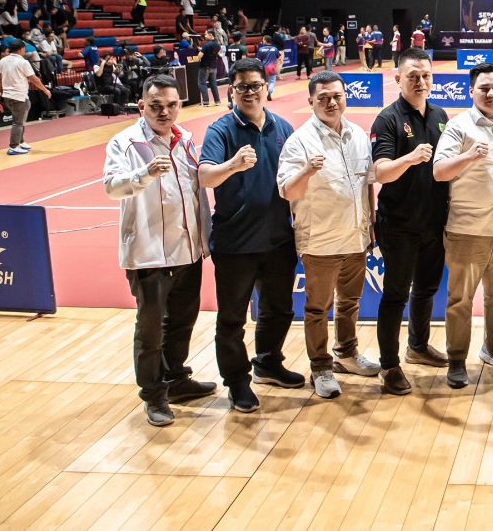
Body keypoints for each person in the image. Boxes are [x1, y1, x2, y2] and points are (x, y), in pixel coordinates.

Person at [103, 74, 215, 426]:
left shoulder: (186, 140)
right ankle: (153, 395)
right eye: (156, 106)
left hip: (188, 250)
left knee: (182, 321)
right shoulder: (126, 143)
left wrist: (204, 241)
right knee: (150, 328)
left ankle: (177, 379)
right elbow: (111, 187)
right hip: (148, 253)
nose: (164, 112)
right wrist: (144, 174)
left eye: (171, 105)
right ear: (141, 106)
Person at [199, 58, 303, 412]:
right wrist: (232, 165)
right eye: (241, 86)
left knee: (280, 309)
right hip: (235, 244)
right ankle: (238, 383)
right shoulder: (221, 131)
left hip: (278, 241)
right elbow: (206, 176)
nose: (249, 92)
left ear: (265, 88)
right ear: (231, 91)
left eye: (255, 85)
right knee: (231, 319)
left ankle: (268, 363)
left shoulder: (282, 127)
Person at [278, 71, 380, 399]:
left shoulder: (358, 135)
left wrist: (371, 220)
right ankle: (320, 366)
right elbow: (286, 191)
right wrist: (307, 169)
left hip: (356, 236)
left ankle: (346, 353)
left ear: (345, 96)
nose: (331, 102)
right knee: (317, 308)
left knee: (349, 302)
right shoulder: (299, 141)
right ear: (310, 101)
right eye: (322, 98)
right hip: (320, 240)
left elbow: (367, 185)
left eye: (336, 96)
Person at [432, 62, 493, 389]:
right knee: (460, 299)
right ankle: (457, 358)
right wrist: (470, 157)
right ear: (471, 91)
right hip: (466, 231)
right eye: (484, 88)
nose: (491, 93)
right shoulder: (458, 127)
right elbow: (440, 171)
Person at [370, 47, 451, 394]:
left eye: (426, 76)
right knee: (395, 295)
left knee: (428, 289)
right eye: (413, 76)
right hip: (399, 225)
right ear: (398, 79)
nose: (420, 81)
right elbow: (381, 173)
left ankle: (417, 345)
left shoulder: (441, 116)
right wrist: (411, 157)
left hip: (433, 223)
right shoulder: (387, 120)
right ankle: (389, 365)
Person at [0, 39, 50, 155]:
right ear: (21, 49)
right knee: (18, 122)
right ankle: (13, 146)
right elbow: (33, 78)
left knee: (21, 119)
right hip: (18, 96)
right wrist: (45, 90)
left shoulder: (3, 61)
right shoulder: (23, 62)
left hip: (8, 96)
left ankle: (20, 141)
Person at [198, 29, 223, 106]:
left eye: (206, 34)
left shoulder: (206, 45)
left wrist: (192, 58)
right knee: (213, 84)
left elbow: (199, 56)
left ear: (211, 35)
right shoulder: (217, 44)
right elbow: (218, 54)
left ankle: (206, 102)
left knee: (202, 83)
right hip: (214, 67)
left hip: (205, 67)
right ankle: (217, 101)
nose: (204, 36)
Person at [256, 33, 281, 100]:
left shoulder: (261, 49)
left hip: (263, 68)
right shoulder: (275, 49)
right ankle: (269, 91)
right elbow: (279, 58)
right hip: (272, 68)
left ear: (265, 41)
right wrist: (277, 67)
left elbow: (258, 60)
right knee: (272, 81)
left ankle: (262, 94)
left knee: (263, 82)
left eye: (263, 40)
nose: (262, 41)